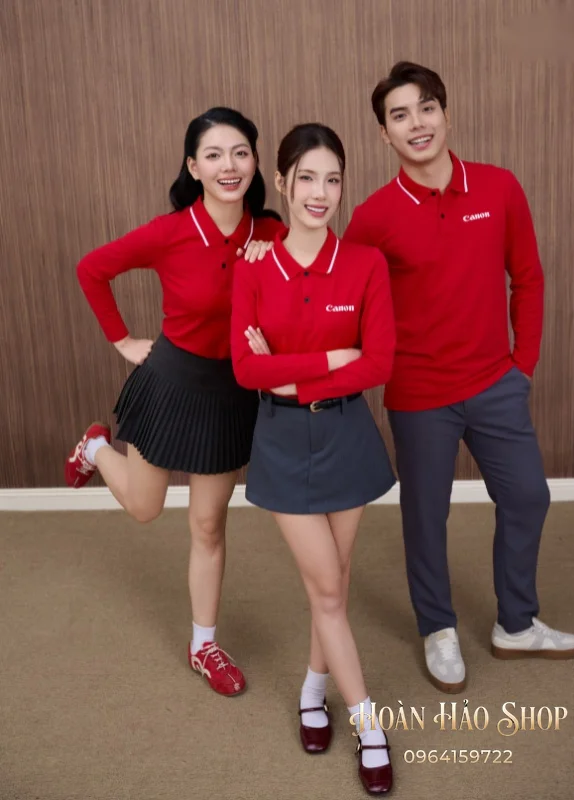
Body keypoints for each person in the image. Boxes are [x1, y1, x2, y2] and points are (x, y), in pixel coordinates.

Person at [343, 61, 574, 694]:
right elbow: (347, 300)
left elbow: (527, 279)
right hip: (419, 394)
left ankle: (517, 623)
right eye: (400, 115)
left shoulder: (499, 188)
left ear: (446, 114)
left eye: (426, 108)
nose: (417, 124)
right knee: (427, 517)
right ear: (384, 134)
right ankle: (438, 627)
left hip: (495, 383)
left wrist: (522, 366)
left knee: (528, 497)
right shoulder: (373, 217)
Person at [64, 107, 284, 696]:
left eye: (240, 152)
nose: (228, 165)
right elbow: (91, 269)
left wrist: (276, 266)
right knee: (144, 508)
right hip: (171, 383)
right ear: (193, 166)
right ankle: (96, 448)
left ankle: (203, 645)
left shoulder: (272, 233)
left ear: (254, 161)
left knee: (208, 525)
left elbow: (305, 292)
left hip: (231, 392)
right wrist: (122, 341)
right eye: (213, 155)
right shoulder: (171, 231)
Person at [231, 123, 396, 795]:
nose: (320, 193)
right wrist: (331, 358)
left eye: (333, 179)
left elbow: (378, 363)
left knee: (335, 583)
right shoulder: (253, 267)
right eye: (307, 178)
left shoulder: (365, 264)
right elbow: (246, 370)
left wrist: (291, 376)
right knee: (328, 589)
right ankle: (370, 727)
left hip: (347, 438)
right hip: (280, 443)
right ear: (282, 182)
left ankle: (311, 687)